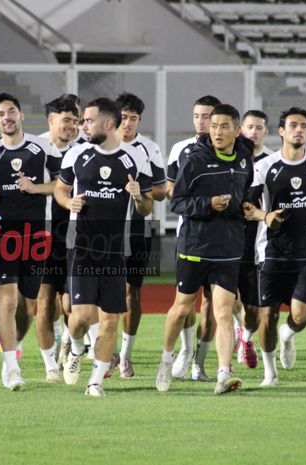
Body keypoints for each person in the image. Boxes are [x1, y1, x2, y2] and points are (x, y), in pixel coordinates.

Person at [54, 97, 153, 397]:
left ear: (108, 124)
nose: (83, 125)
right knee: (82, 316)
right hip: (82, 246)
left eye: (88, 120)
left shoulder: (135, 159)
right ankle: (75, 347)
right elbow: (60, 189)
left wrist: (138, 197)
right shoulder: (77, 156)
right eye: (82, 120)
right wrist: (67, 201)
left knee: (110, 320)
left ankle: (95, 382)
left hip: (116, 249)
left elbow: (147, 208)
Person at [155, 103, 254, 395]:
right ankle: (165, 361)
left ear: (237, 130)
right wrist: (208, 204)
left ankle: (223, 374)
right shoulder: (195, 160)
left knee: (223, 313)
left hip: (228, 249)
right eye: (214, 126)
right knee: (182, 308)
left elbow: (244, 194)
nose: (218, 131)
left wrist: (247, 206)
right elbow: (177, 201)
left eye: (224, 126)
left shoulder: (245, 159)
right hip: (195, 247)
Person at [246, 107, 306, 387]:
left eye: (303, 126)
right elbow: (248, 207)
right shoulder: (264, 167)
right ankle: (269, 373)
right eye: (293, 125)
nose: (299, 130)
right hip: (271, 253)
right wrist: (266, 216)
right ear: (282, 131)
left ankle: (289, 335)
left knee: (301, 317)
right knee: (267, 316)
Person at [0, 92, 62, 390]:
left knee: (29, 304)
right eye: (1, 114)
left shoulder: (42, 148)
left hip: (37, 234)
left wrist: (36, 187)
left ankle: (12, 352)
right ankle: (12, 368)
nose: (7, 117)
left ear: (21, 115)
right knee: (8, 300)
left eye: (11, 111)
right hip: (5, 234)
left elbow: (64, 184)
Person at [166, 95, 221, 382]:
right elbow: (172, 192)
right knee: (185, 302)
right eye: (197, 116)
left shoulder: (229, 150)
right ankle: (185, 351)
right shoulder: (180, 150)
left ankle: (200, 362)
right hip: (189, 236)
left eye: (207, 116)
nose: (201, 121)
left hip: (222, 238)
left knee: (213, 305)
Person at [114, 92, 167, 378]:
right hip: (102, 229)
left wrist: (140, 191)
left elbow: (161, 189)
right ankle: (92, 346)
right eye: (123, 117)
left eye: (133, 118)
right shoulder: (97, 145)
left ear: (140, 121)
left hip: (139, 226)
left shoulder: (148, 148)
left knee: (132, 291)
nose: (128, 123)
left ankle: (124, 356)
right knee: (96, 291)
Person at [33, 95, 80, 382]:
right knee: (44, 301)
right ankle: (50, 366)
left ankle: (69, 343)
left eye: (75, 121)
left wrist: (40, 187)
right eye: (67, 120)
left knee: (72, 304)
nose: (72, 126)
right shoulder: (34, 149)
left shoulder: (84, 151)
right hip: (42, 234)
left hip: (74, 235)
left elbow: (64, 186)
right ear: (52, 120)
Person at [236, 109, 273, 369]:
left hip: (258, 240)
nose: (255, 132)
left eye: (260, 127)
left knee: (254, 305)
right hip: (227, 236)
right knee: (219, 298)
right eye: (250, 127)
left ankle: (246, 337)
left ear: (267, 132)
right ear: (241, 129)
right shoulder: (232, 158)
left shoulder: (272, 161)